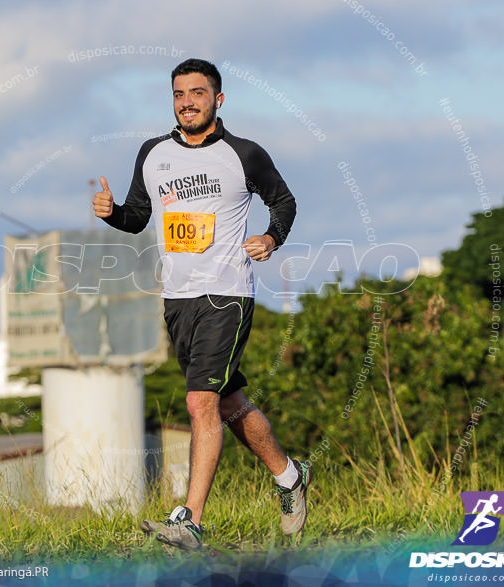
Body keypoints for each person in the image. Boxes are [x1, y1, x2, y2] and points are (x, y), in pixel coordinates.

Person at [93, 58, 310, 550]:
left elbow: (285, 201)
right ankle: (289, 475)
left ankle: (190, 519)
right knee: (228, 401)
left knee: (199, 402)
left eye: (197, 92)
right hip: (178, 299)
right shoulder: (152, 154)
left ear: (218, 99)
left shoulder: (243, 154)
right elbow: (136, 218)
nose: (187, 101)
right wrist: (112, 214)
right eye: (178, 94)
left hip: (226, 293)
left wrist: (271, 237)